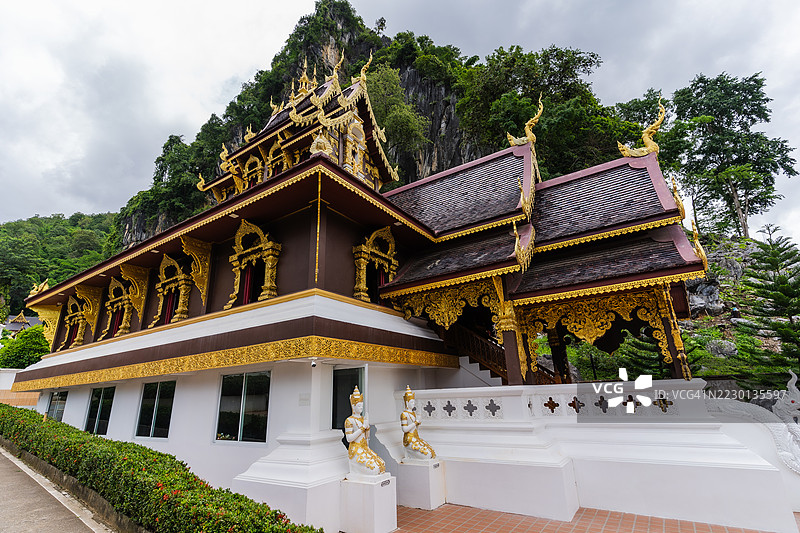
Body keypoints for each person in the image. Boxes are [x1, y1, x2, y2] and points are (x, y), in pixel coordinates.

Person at [344, 386, 385, 475]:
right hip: (356, 449)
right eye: (359, 406)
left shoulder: (362, 419)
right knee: (374, 469)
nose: (361, 408)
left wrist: (367, 427)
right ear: (353, 406)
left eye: (362, 406)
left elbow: (367, 437)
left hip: (364, 448)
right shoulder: (349, 420)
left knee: (382, 464)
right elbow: (349, 439)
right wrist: (362, 427)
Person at [400, 385, 436, 460]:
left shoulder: (413, 413)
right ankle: (409, 452)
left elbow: (415, 428)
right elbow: (405, 429)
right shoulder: (404, 414)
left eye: (414, 402)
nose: (414, 403)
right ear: (407, 402)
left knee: (431, 453)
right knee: (427, 455)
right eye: (412, 402)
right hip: (409, 439)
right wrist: (416, 422)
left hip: (416, 437)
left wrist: (418, 423)